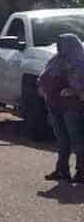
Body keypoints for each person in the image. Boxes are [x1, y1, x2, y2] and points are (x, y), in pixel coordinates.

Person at [38, 33, 84, 183]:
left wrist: (75, 91)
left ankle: (81, 172)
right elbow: (43, 76)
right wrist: (42, 87)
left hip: (72, 106)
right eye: (58, 43)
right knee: (62, 139)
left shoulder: (80, 62)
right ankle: (62, 170)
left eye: (62, 43)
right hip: (54, 104)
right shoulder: (56, 60)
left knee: (77, 139)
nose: (59, 46)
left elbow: (80, 84)